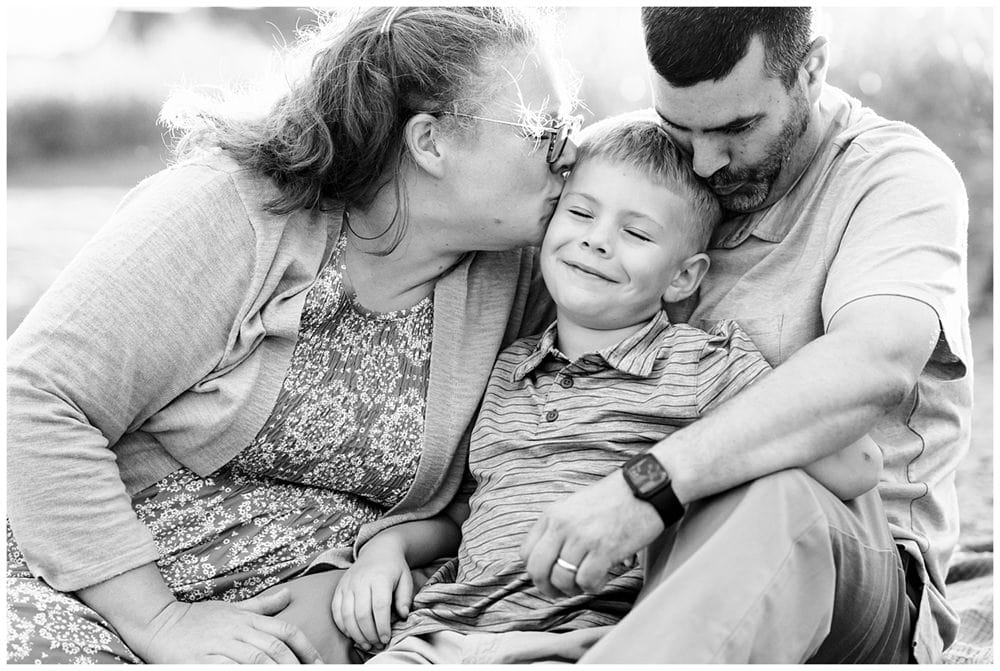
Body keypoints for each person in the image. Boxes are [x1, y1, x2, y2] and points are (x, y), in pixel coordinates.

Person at [6, 6, 580, 664]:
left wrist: (364, 568)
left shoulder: (529, 269)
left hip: (316, 630)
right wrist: (161, 623)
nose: (570, 153)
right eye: (545, 129)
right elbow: (35, 397)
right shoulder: (232, 211)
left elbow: (527, 469)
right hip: (92, 599)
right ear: (430, 142)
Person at [324, 115, 884, 664]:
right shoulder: (507, 369)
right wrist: (386, 549)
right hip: (442, 636)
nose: (596, 241)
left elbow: (854, 462)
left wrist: (677, 477)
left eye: (636, 233)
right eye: (581, 213)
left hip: (587, 638)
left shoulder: (701, 365)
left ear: (684, 276)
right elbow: (468, 517)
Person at [517, 7, 972, 664]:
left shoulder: (895, 176)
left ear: (811, 70)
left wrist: (650, 485)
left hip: (853, 573)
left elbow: (875, 366)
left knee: (781, 492)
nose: (703, 163)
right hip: (649, 565)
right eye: (678, 127)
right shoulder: (639, 161)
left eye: (737, 128)